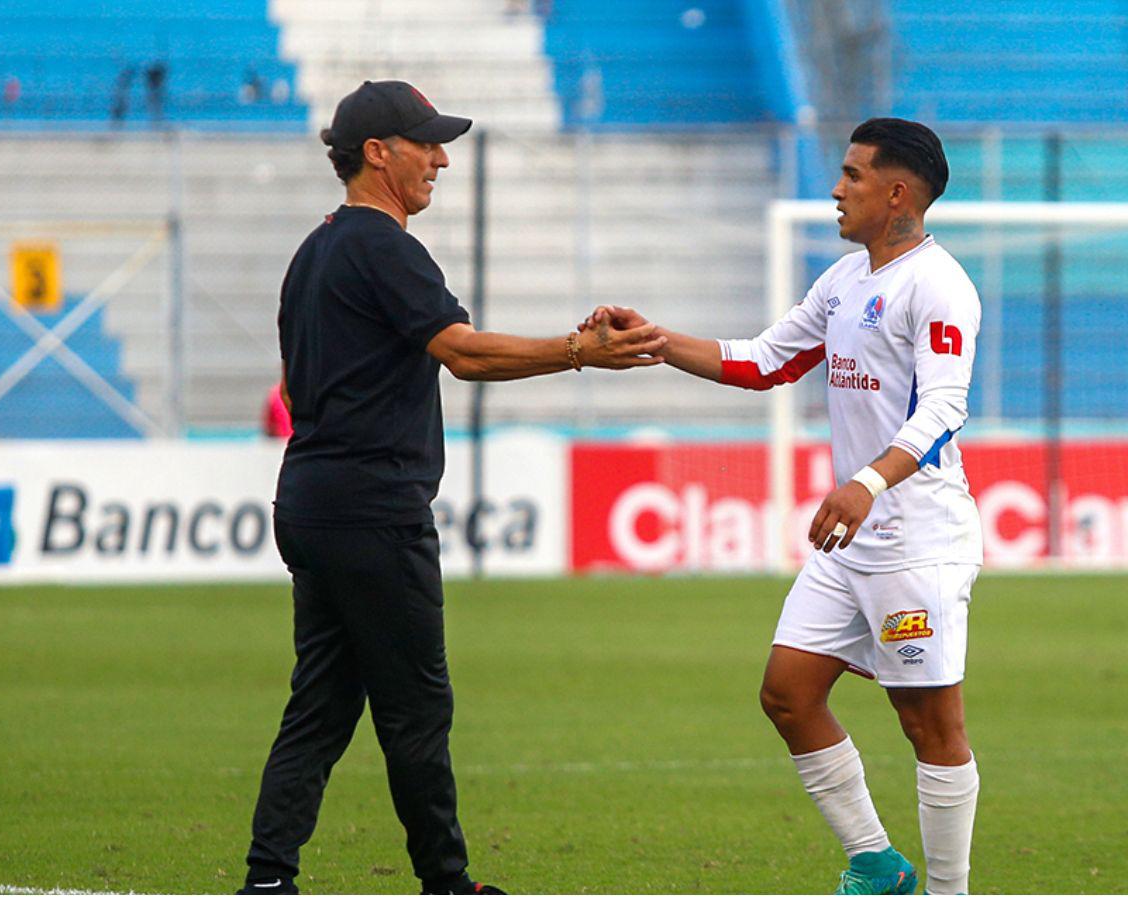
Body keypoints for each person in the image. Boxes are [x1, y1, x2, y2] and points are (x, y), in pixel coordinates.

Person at [238, 79, 666, 896]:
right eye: (426, 143)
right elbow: (462, 353)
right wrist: (578, 351)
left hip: (310, 498)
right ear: (377, 153)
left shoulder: (312, 253)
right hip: (374, 507)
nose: (440, 159)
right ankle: (446, 883)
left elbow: (292, 387)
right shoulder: (385, 247)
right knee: (416, 709)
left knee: (323, 703)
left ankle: (268, 877)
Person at [584, 118, 981, 895]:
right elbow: (764, 360)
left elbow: (944, 408)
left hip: (917, 541)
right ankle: (877, 863)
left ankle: (949, 892)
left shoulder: (939, 286)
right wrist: (654, 340)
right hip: (852, 541)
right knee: (788, 694)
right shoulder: (844, 282)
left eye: (853, 175)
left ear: (897, 193)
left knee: (930, 725)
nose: (836, 189)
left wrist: (866, 482)